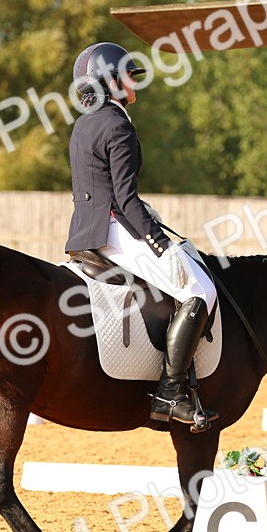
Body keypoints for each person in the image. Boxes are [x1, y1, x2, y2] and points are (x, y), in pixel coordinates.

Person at [64, 42, 218, 426]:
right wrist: (160, 243)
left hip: (84, 231)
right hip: (115, 233)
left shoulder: (84, 123)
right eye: (129, 74)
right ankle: (169, 393)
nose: (134, 82)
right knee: (201, 291)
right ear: (110, 80)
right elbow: (126, 200)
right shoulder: (116, 124)